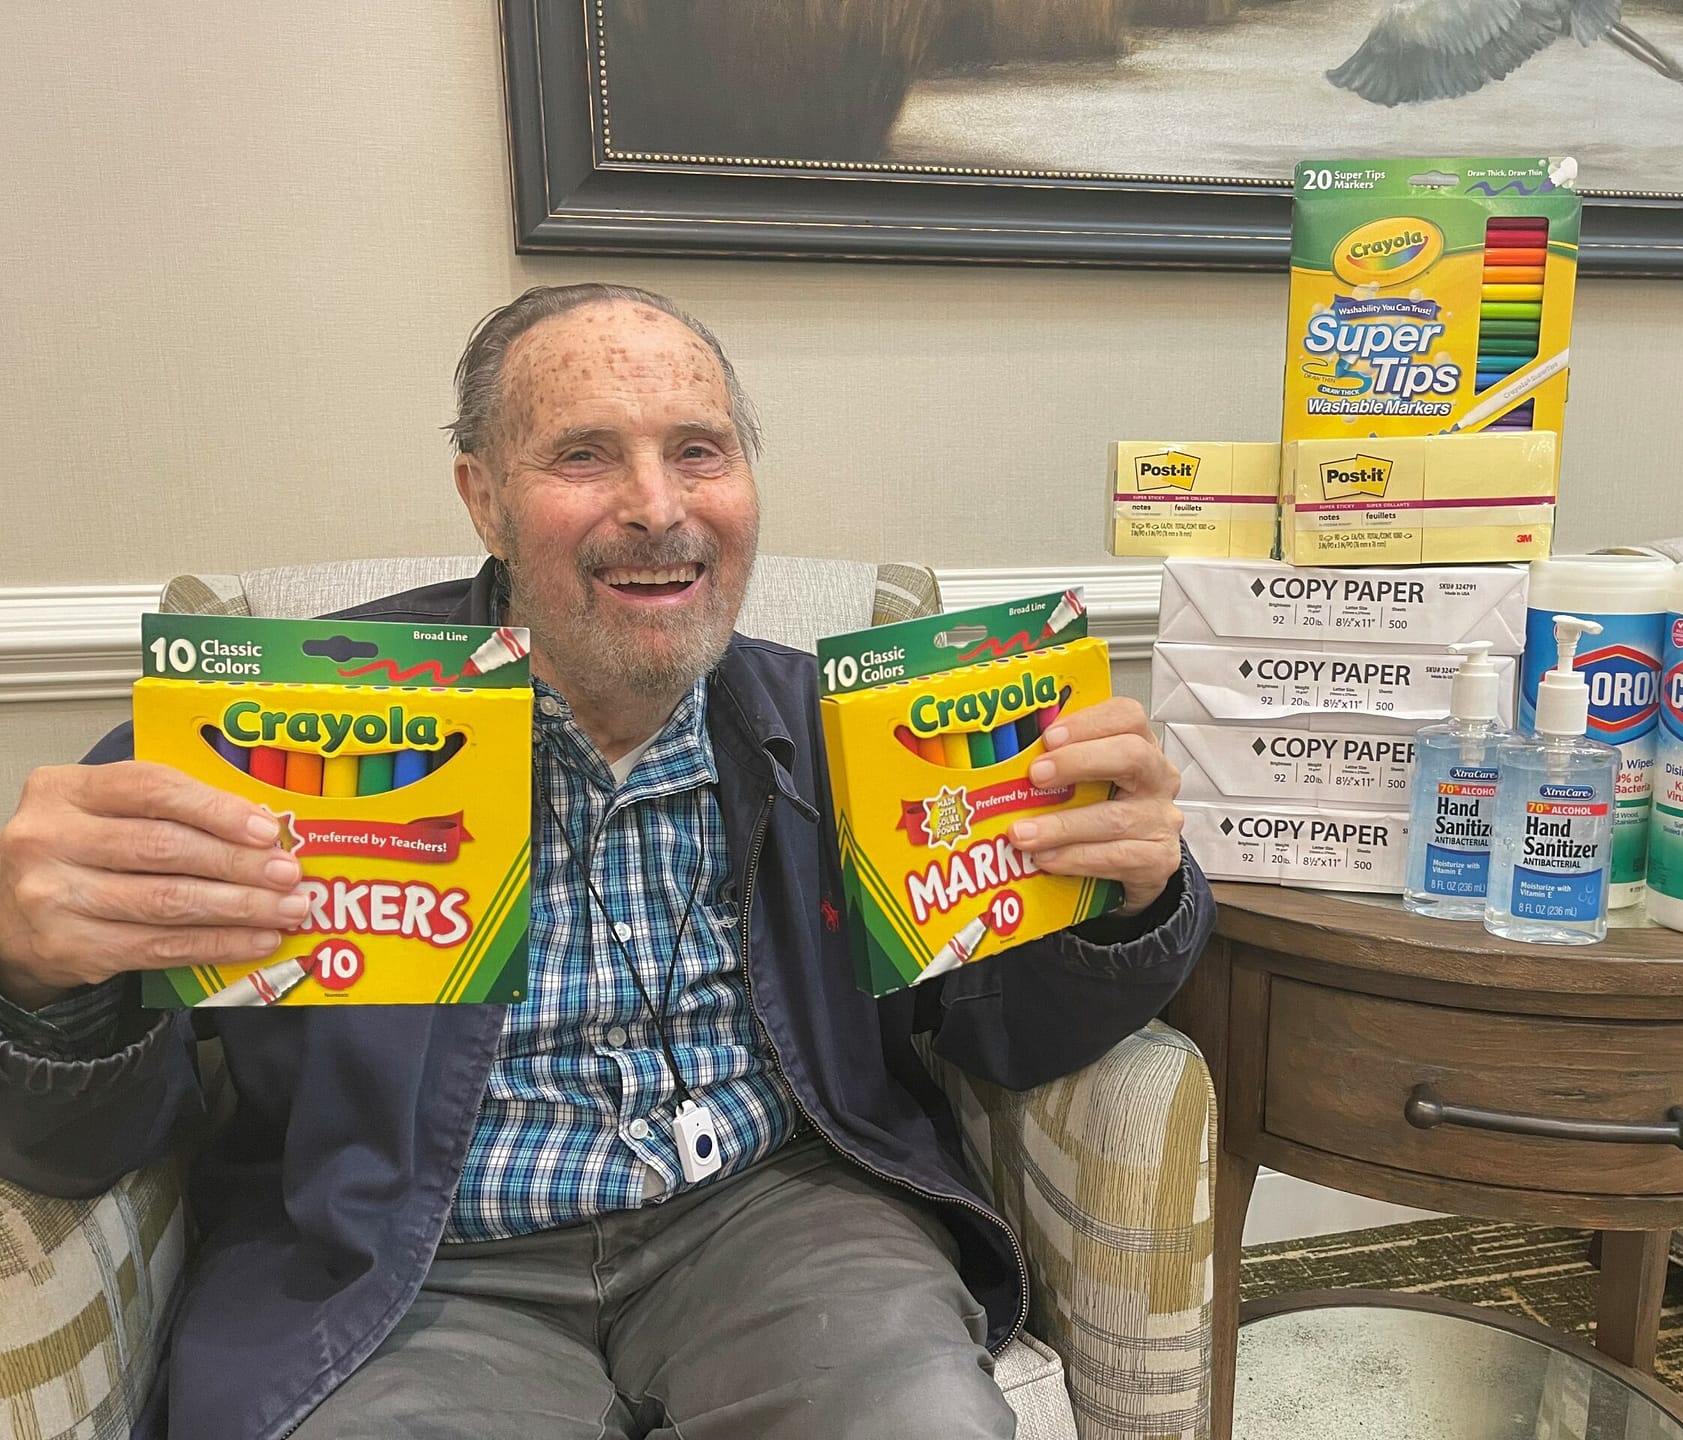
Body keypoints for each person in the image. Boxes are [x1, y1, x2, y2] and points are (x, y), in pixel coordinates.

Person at [0, 284, 1211, 1440]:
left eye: (700, 450)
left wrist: (1126, 897)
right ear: (482, 497)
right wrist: (40, 986)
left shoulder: (864, 737)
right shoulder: (265, 733)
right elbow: (88, 1139)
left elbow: (1010, 1036)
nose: (656, 505)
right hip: (410, 1261)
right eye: (583, 455)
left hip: (784, 1220)